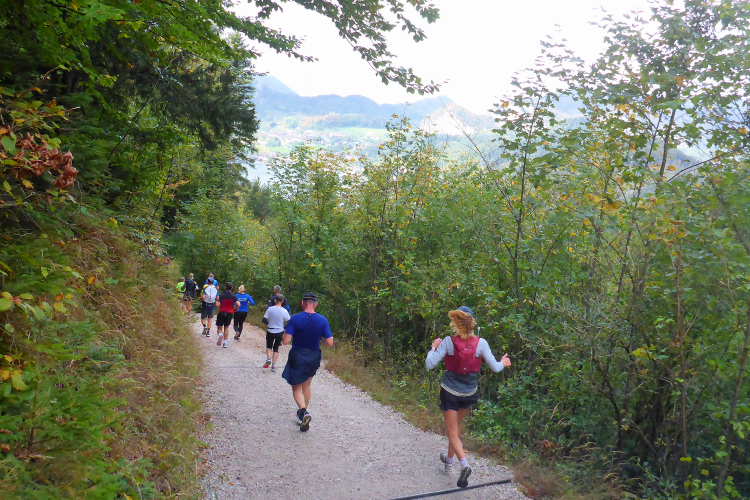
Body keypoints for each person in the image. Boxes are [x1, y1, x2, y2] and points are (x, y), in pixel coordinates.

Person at [425, 306, 511, 489]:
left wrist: (433, 348)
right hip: (469, 392)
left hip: (450, 391)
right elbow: (496, 368)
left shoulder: (448, 342)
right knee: (456, 428)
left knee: (452, 432)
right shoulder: (481, 343)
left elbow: (430, 364)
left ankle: (464, 464)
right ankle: (448, 462)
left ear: (456, 322)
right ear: (472, 323)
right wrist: (503, 362)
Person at [281, 292, 333, 432]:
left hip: (297, 355)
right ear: (316, 304)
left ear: (302, 303)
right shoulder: (323, 320)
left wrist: (286, 333)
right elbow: (330, 342)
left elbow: (286, 341)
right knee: (307, 386)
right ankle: (304, 414)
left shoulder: (295, 318)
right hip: (314, 355)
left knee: (296, 388)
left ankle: (303, 412)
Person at [262, 295, 291, 371]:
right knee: (276, 348)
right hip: (279, 331)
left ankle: (268, 358)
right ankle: (274, 365)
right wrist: (284, 327)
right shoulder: (284, 311)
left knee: (269, 346)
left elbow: (264, 319)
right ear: (283, 301)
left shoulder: (270, 309)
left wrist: (269, 324)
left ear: (275, 300)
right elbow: (289, 321)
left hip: (270, 330)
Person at [215, 282, 240, 348]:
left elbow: (217, 305)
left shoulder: (222, 296)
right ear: (232, 288)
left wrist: (216, 301)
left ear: (225, 287)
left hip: (222, 312)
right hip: (229, 313)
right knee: (226, 327)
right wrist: (236, 309)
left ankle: (220, 334)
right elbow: (238, 304)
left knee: (219, 328)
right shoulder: (234, 296)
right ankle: (225, 343)